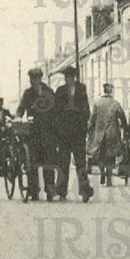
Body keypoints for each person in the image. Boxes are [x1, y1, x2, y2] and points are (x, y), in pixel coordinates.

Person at [16, 67, 57, 201]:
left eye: (36, 78)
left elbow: (55, 110)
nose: (34, 81)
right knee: (32, 162)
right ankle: (34, 191)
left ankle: (50, 191)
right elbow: (21, 108)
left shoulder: (49, 92)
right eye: (32, 79)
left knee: (49, 162)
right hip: (33, 133)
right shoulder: (28, 93)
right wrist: (18, 116)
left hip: (47, 131)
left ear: (40, 78)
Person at [53, 65, 93, 201]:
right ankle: (61, 191)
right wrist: (58, 129)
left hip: (78, 133)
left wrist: (83, 125)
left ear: (74, 77)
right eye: (66, 77)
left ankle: (84, 190)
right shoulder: (59, 91)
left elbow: (86, 109)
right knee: (63, 162)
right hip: (63, 134)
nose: (68, 79)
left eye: (70, 77)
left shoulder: (82, 89)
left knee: (81, 162)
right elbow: (56, 112)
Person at [87, 82, 128, 187]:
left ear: (104, 90)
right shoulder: (115, 104)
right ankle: (109, 180)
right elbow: (122, 117)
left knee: (99, 156)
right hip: (112, 134)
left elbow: (92, 119)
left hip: (99, 135)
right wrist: (124, 127)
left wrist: (89, 130)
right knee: (110, 157)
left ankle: (102, 172)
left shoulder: (97, 103)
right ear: (111, 91)